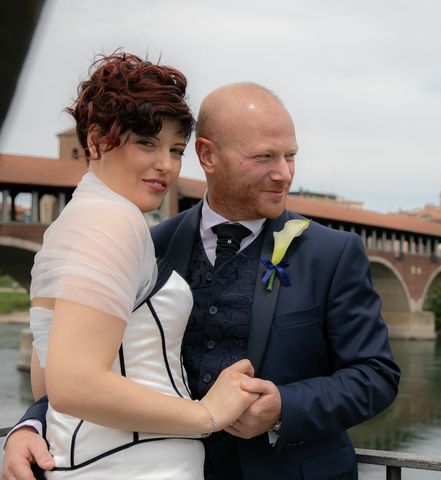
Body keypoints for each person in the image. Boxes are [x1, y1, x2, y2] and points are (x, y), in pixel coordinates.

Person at [3, 82, 401, 479]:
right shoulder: (148, 243)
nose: (284, 174)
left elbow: (376, 375)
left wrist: (285, 406)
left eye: (290, 156)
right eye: (264, 157)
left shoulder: (332, 253)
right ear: (208, 155)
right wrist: (32, 425)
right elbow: (86, 351)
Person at [4, 53, 259, 479]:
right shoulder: (111, 221)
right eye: (146, 142)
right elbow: (73, 385)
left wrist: (28, 424)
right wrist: (207, 415)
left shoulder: (73, 222)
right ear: (97, 140)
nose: (167, 164)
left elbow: (45, 381)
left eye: (176, 149)